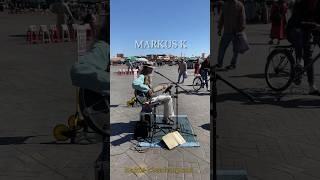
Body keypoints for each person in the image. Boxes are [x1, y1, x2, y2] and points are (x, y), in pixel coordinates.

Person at [286, 0, 320, 95]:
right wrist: (314, 25)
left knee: (309, 57)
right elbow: (298, 22)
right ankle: (299, 60)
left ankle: (311, 86)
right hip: (293, 30)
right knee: (299, 33)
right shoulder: (300, 4)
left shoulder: (318, 5)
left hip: (308, 32)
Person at [216, 0, 246, 70]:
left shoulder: (238, 5)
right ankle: (225, 64)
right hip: (231, 31)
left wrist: (220, 28)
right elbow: (222, 18)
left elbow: (242, 18)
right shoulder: (227, 5)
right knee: (225, 48)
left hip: (234, 31)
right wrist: (219, 28)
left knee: (227, 49)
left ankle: (227, 64)